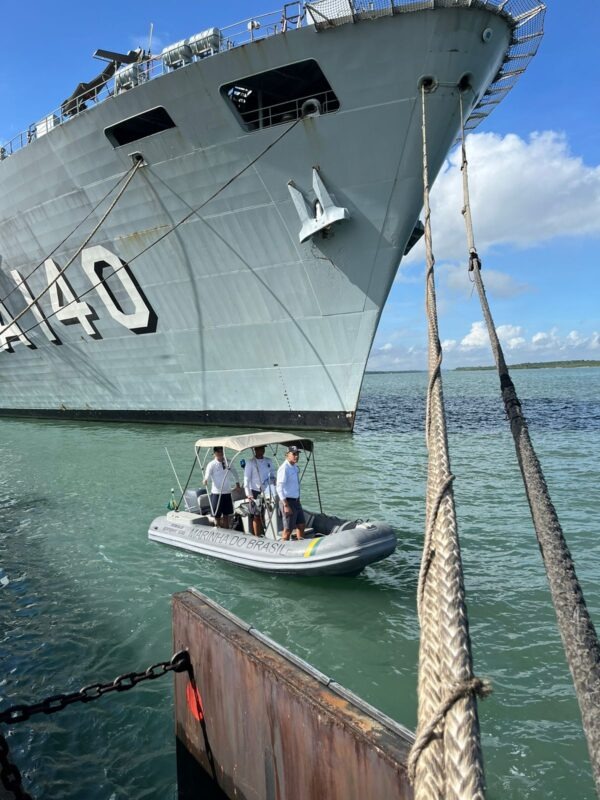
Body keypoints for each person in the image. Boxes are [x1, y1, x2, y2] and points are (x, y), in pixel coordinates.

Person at [203, 446, 240, 529]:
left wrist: (237, 483)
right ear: (214, 453)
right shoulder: (211, 464)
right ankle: (217, 527)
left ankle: (226, 529)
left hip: (227, 492)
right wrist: (205, 479)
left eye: (221, 451)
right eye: (218, 452)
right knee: (217, 515)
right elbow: (207, 474)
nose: (220, 453)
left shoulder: (228, 462)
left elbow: (235, 472)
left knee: (226, 515)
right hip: (216, 493)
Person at [243, 445, 276, 536]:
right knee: (257, 515)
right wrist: (248, 494)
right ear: (255, 450)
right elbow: (246, 479)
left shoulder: (269, 461)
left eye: (263, 449)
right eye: (259, 449)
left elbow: (273, 475)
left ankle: (265, 533)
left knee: (267, 514)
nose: (261, 451)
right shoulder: (250, 462)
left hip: (268, 491)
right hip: (255, 491)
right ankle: (257, 536)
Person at [276, 445, 305, 541]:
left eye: (297, 454)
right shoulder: (284, 468)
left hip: (296, 501)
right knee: (288, 529)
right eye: (294, 454)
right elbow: (279, 487)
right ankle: (283, 546)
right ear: (287, 455)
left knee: (301, 525)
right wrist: (285, 505)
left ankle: (300, 544)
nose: (296, 456)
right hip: (288, 502)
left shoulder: (295, 467)